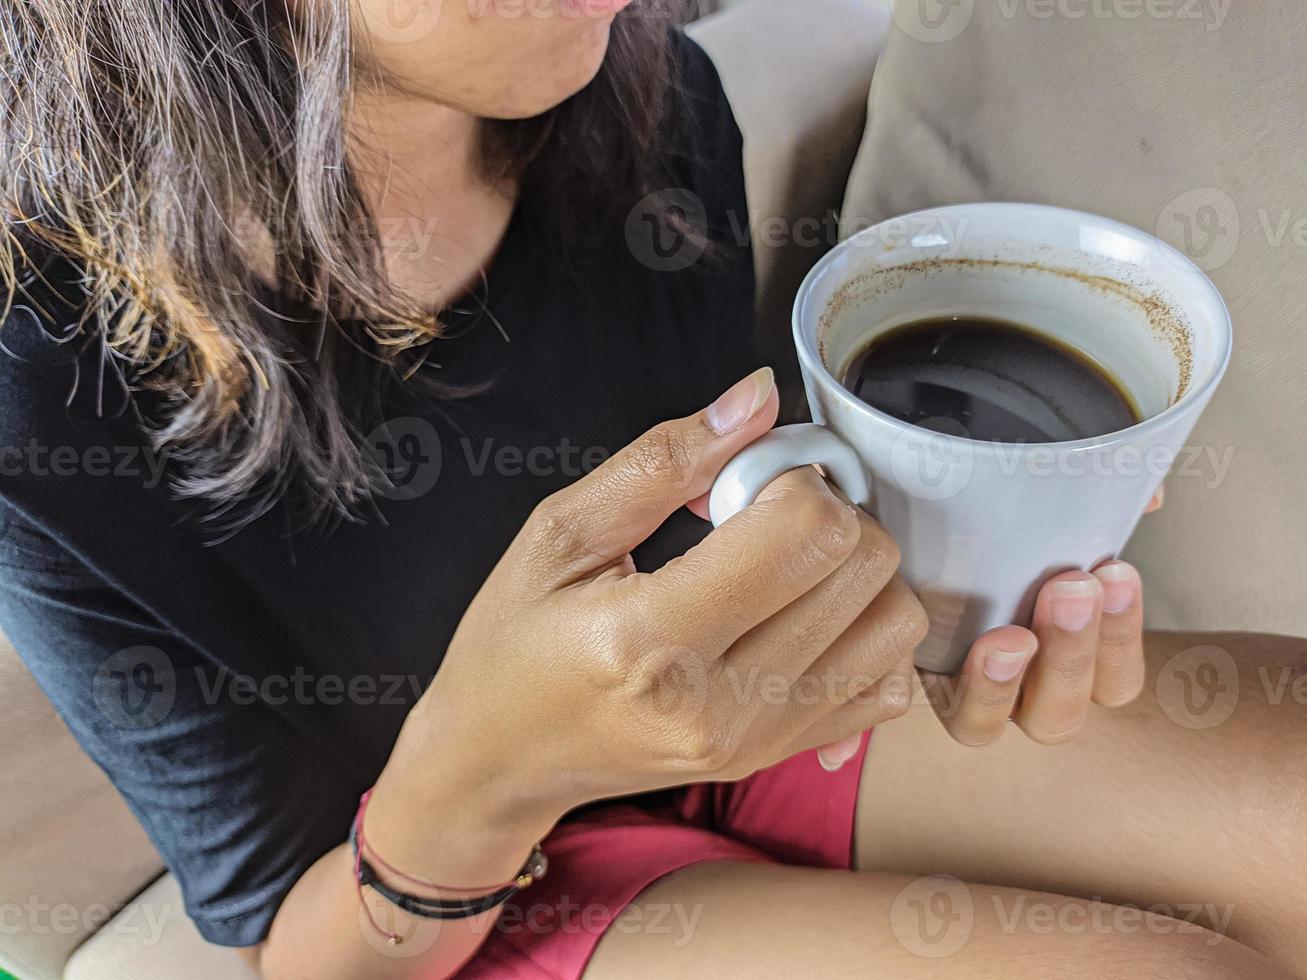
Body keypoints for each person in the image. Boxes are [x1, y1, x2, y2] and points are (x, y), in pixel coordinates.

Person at [0, 2, 1300, 978]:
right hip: (452, 882)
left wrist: (952, 573)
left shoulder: (653, 101)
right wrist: (491, 766)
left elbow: (730, 509)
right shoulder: (34, 376)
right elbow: (310, 952)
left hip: (745, 713)